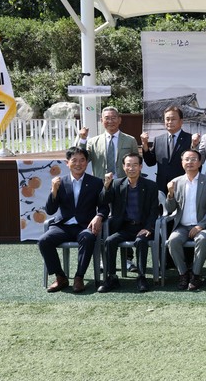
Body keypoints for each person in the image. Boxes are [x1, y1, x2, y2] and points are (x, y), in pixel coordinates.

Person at [39, 147, 108, 293]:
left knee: (88, 237)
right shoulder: (60, 182)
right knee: (44, 241)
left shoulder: (96, 182)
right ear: (67, 163)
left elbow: (104, 207)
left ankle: (79, 277)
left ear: (87, 163)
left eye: (82, 160)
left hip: (84, 225)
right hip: (63, 226)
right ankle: (60, 277)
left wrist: (99, 216)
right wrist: (54, 190)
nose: (78, 164)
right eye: (74, 160)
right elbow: (50, 210)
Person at [97, 153, 159, 293]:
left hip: (143, 227)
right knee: (109, 241)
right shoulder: (117, 184)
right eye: (128, 165)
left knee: (141, 241)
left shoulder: (151, 185)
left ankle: (141, 277)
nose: (131, 168)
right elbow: (103, 201)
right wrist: (106, 185)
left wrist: (148, 228)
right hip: (124, 227)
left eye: (135, 165)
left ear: (141, 167)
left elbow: (154, 210)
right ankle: (112, 277)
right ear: (123, 167)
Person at [164, 149, 206, 291]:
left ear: (200, 163)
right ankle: (183, 274)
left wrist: (201, 226)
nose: (190, 162)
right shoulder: (176, 182)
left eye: (194, 159)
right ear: (182, 163)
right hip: (182, 226)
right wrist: (170, 194)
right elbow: (170, 209)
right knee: (173, 240)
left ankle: (195, 275)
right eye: (186, 159)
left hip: (201, 226)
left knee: (203, 239)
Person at [76, 106, 138, 179]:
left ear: (119, 120)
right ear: (102, 120)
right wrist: (83, 139)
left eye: (113, 118)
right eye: (107, 118)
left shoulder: (130, 140)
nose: (110, 121)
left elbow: (137, 162)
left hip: (123, 181)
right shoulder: (93, 142)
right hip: (100, 181)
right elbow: (83, 158)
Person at [142, 105, 192, 194]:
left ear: (181, 121)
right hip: (162, 186)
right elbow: (150, 162)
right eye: (167, 119)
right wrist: (145, 145)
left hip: (183, 185)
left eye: (173, 119)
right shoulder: (158, 140)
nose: (170, 122)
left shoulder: (189, 139)